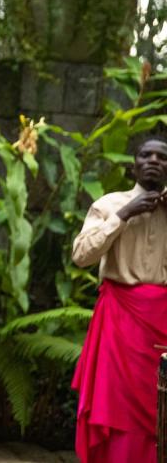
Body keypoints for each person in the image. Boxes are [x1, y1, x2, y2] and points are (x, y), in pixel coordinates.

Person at [71, 135, 167, 462]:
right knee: (117, 406)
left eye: (162, 157)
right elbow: (81, 255)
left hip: (162, 322)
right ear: (133, 165)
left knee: (160, 406)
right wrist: (124, 215)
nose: (154, 161)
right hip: (119, 320)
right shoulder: (109, 205)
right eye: (146, 155)